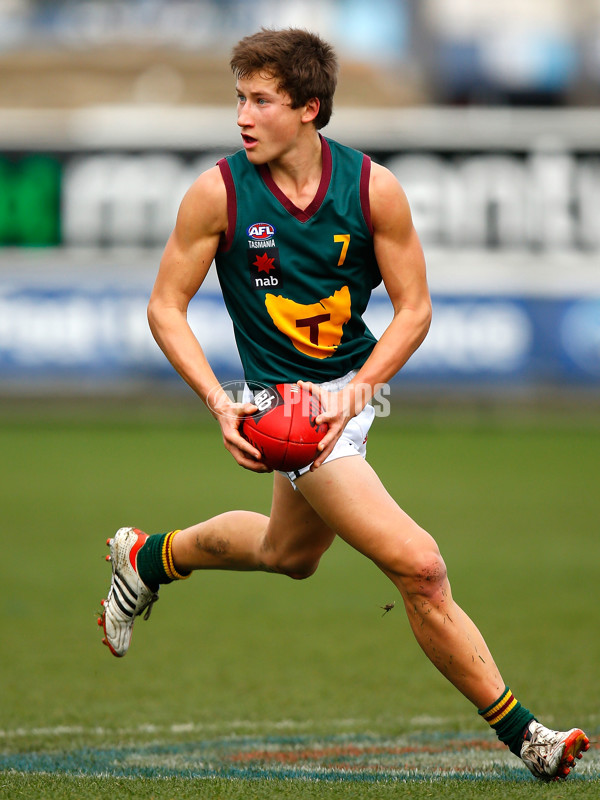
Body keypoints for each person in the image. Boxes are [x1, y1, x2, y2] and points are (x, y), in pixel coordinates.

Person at [98, 28, 589, 781]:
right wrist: (220, 402)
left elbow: (415, 309)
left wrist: (356, 392)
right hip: (285, 413)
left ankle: (146, 556)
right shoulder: (218, 193)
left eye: (261, 100)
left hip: (348, 397)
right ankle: (531, 738)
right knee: (420, 568)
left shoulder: (372, 189)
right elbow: (166, 307)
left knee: (287, 555)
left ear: (309, 108)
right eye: (240, 98)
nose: (243, 115)